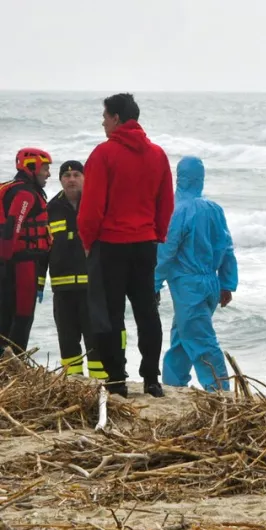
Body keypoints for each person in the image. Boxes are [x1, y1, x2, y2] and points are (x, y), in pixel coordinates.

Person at [78, 93, 175, 398]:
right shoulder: (158, 154)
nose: (102, 121)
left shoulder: (104, 154)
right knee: (147, 311)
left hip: (109, 244)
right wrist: (156, 234)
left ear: (117, 118)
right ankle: (151, 379)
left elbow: (92, 206)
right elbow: (166, 203)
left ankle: (117, 379)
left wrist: (87, 240)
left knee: (109, 314)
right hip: (144, 243)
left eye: (105, 115)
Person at [154, 156, 238, 392]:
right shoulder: (214, 209)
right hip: (211, 282)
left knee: (201, 341)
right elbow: (227, 248)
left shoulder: (177, 210)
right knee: (182, 337)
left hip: (188, 285)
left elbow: (166, 251)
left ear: (178, 177)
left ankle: (220, 391)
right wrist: (227, 283)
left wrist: (154, 282)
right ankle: (173, 384)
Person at [37, 160, 106, 379]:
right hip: (62, 289)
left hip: (93, 286)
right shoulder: (51, 209)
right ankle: (74, 382)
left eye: (77, 175)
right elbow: (41, 250)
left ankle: (100, 383)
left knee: (96, 338)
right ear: (60, 180)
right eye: (67, 176)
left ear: (85, 178)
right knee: (67, 339)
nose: (72, 179)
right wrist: (38, 283)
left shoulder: (96, 204)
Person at [0, 148, 52, 355]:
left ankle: (5, 361)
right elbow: (13, 226)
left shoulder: (9, 187)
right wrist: (5, 263)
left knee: (5, 313)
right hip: (21, 263)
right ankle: (16, 361)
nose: (48, 174)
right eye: (45, 168)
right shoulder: (24, 194)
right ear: (32, 167)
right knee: (22, 315)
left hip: (9, 262)